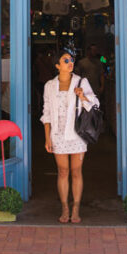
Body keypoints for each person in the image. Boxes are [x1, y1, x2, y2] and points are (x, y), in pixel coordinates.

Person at [41, 49, 99, 223]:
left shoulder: (81, 82)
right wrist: (47, 138)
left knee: (76, 172)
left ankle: (76, 209)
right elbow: (47, 113)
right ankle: (65, 208)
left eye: (71, 60)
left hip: (76, 134)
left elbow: (95, 103)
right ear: (58, 66)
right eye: (65, 60)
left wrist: (82, 96)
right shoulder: (49, 86)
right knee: (63, 171)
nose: (70, 62)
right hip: (57, 134)